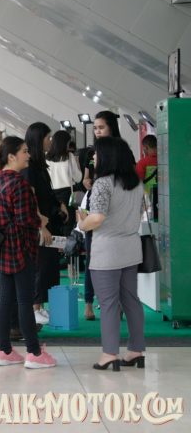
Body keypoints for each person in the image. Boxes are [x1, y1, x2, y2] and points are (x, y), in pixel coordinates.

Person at [76, 137, 145, 371]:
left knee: (108, 304)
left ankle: (109, 353)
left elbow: (97, 218)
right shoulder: (136, 183)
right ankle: (136, 350)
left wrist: (82, 224)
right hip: (131, 249)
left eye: (96, 153)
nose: (93, 158)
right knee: (131, 301)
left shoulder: (103, 184)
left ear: (108, 156)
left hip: (107, 251)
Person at [0, 137, 57, 369]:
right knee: (25, 301)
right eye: (24, 151)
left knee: (5, 300)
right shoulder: (19, 183)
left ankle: (4, 351)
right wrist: (41, 220)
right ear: (12, 156)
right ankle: (34, 353)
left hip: (1, 248)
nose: (28, 155)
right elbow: (24, 219)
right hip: (20, 248)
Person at [22, 122, 67, 327]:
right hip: (39, 226)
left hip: (48, 222)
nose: (50, 141)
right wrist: (42, 226)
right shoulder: (30, 168)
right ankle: (34, 308)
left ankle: (39, 306)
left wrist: (59, 204)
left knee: (48, 267)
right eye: (48, 138)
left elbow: (45, 193)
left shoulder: (41, 165)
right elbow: (31, 199)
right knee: (40, 267)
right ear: (38, 140)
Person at [81, 110, 122, 320]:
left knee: (116, 258)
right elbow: (85, 178)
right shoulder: (92, 152)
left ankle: (116, 303)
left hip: (116, 207)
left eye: (101, 127)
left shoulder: (122, 150)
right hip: (95, 204)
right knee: (92, 257)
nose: (97, 131)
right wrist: (88, 181)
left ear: (111, 128)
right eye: (95, 128)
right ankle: (89, 303)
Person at [46, 130, 82, 234]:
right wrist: (78, 164)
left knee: (55, 222)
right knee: (68, 223)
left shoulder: (45, 157)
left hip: (51, 194)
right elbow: (78, 178)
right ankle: (67, 243)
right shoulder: (69, 156)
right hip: (67, 194)